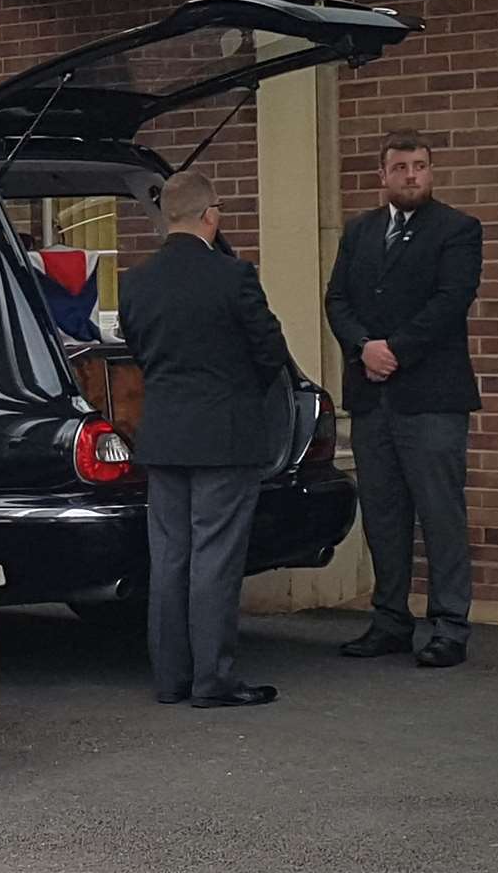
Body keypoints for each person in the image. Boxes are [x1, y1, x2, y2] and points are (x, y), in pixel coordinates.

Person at [118, 171, 290, 709]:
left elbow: (139, 350)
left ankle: (170, 678)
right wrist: (242, 393)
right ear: (210, 215)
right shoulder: (234, 276)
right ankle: (212, 680)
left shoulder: (137, 281)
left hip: (165, 433)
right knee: (215, 557)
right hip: (224, 435)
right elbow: (270, 351)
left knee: (169, 557)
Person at [326, 132, 482, 668]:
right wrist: (363, 347)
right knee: (385, 513)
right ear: (383, 175)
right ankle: (390, 619)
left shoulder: (457, 230)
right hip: (373, 399)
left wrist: (393, 350)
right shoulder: (360, 231)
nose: (411, 175)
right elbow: (338, 298)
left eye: (420, 166)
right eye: (401, 167)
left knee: (440, 514)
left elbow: (450, 301)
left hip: (431, 397)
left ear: (431, 172)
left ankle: (450, 626)